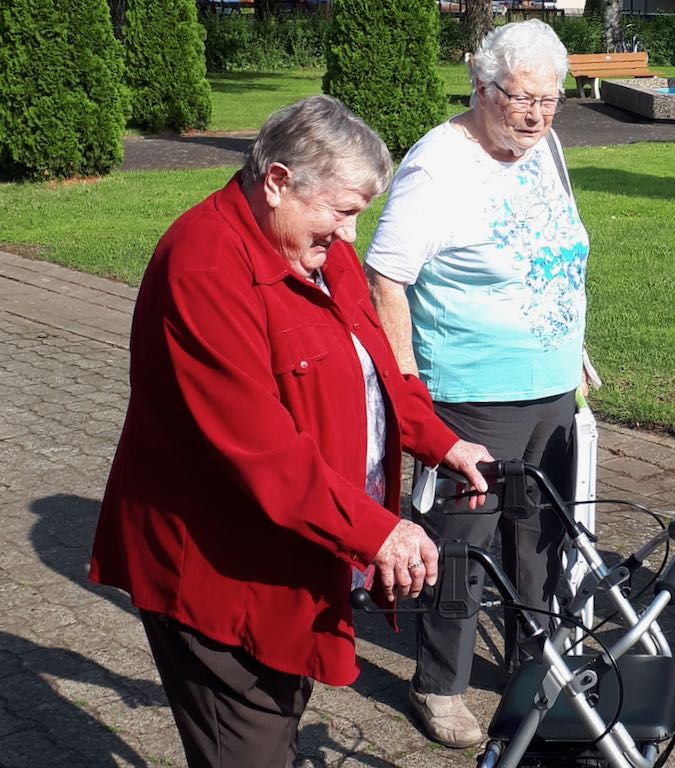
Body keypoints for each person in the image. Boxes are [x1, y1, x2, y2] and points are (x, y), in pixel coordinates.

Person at [89, 95, 493, 768]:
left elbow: (376, 368)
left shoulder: (314, 247)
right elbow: (260, 448)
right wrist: (378, 531)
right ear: (277, 181)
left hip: (295, 557)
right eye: (342, 211)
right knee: (244, 747)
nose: (350, 235)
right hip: (222, 578)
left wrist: (438, 439)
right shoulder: (204, 264)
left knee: (276, 726)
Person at [363, 20, 590, 748]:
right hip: (471, 393)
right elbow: (386, 277)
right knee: (464, 543)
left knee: (540, 536)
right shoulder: (438, 166)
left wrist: (575, 346)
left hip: (550, 385)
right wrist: (408, 387)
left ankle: (532, 663)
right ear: (481, 87)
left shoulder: (544, 146)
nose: (536, 115)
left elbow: (558, 254)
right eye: (521, 98)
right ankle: (439, 684)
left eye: (550, 101)